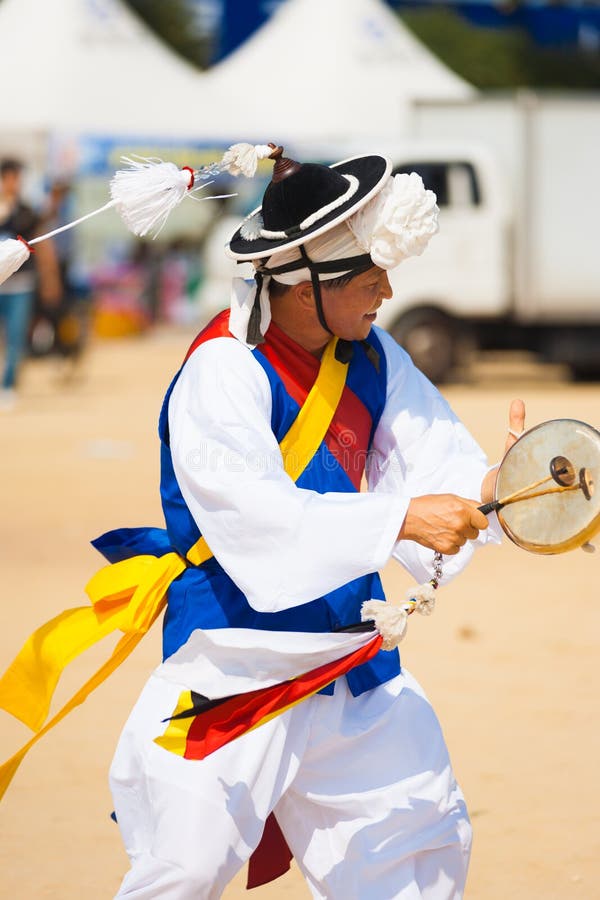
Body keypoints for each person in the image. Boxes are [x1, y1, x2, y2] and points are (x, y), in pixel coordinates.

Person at [103, 146, 525, 899]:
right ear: (303, 288)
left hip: (349, 657)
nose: (387, 291)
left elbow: (444, 473)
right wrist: (398, 518)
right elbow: (256, 520)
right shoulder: (221, 370)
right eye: (368, 279)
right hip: (232, 662)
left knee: (416, 851)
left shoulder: (374, 353)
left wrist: (515, 485)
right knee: (183, 869)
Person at [0, 158, 61, 408]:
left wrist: (50, 278)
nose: (16, 183)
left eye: (18, 179)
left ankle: (7, 385)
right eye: (11, 178)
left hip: (21, 285)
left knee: (16, 337)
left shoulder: (26, 212)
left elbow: (42, 241)